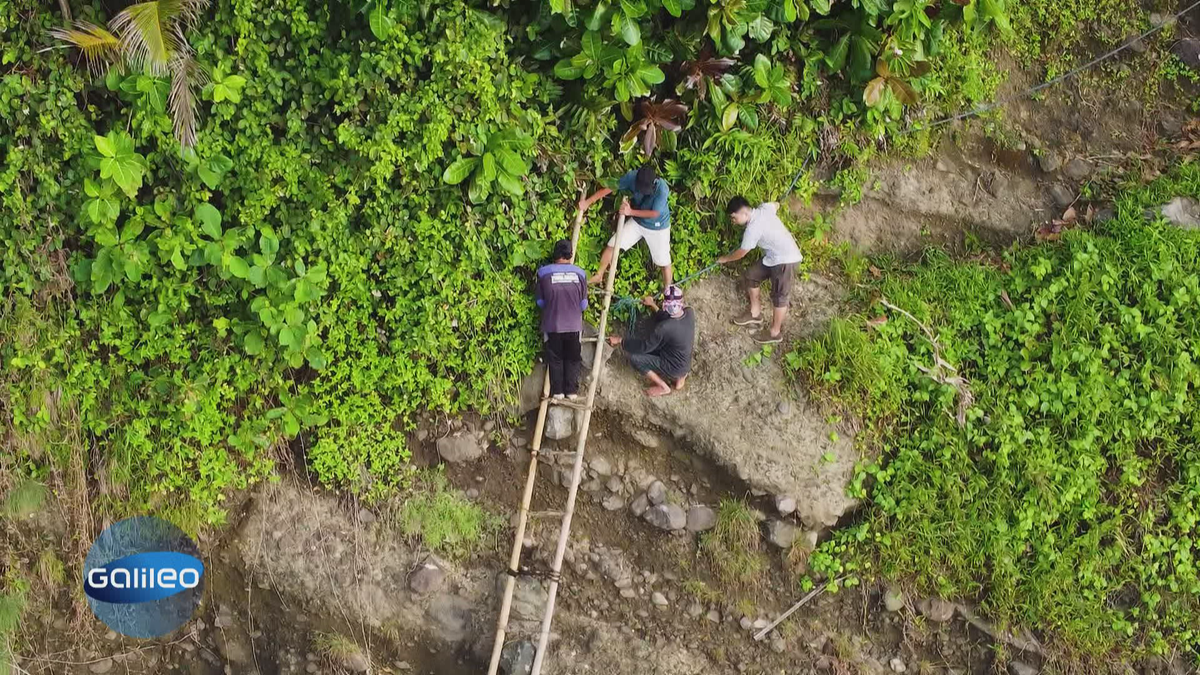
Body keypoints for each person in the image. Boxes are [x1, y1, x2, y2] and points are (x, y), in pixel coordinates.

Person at [716, 197, 803, 345]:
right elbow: (776, 205)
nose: (733, 221)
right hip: (773, 257)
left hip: (786, 259)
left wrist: (725, 259)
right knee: (751, 275)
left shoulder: (752, 229)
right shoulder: (764, 208)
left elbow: (742, 252)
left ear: (744, 213)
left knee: (779, 296)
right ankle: (755, 314)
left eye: (734, 217)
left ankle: (775, 333)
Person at [579, 165, 673, 290]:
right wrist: (588, 202)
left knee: (664, 262)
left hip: (658, 227)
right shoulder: (631, 177)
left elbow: (654, 214)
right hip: (638, 221)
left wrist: (630, 212)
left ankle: (669, 292)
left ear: (654, 182)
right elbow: (611, 187)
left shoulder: (662, 189)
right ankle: (599, 275)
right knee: (612, 245)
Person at [607, 286, 694, 398]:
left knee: (635, 359)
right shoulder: (690, 313)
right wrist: (652, 305)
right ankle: (681, 378)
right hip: (684, 364)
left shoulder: (664, 328)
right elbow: (670, 317)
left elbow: (644, 347)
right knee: (675, 347)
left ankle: (663, 386)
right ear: (681, 302)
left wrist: (621, 341)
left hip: (671, 365)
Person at [535, 239, 589, 400]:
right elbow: (584, 304)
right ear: (570, 254)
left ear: (555, 253)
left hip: (553, 325)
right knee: (573, 358)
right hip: (573, 325)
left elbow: (540, 302)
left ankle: (557, 392)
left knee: (555, 358)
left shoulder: (543, 273)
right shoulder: (580, 273)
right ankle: (571, 392)